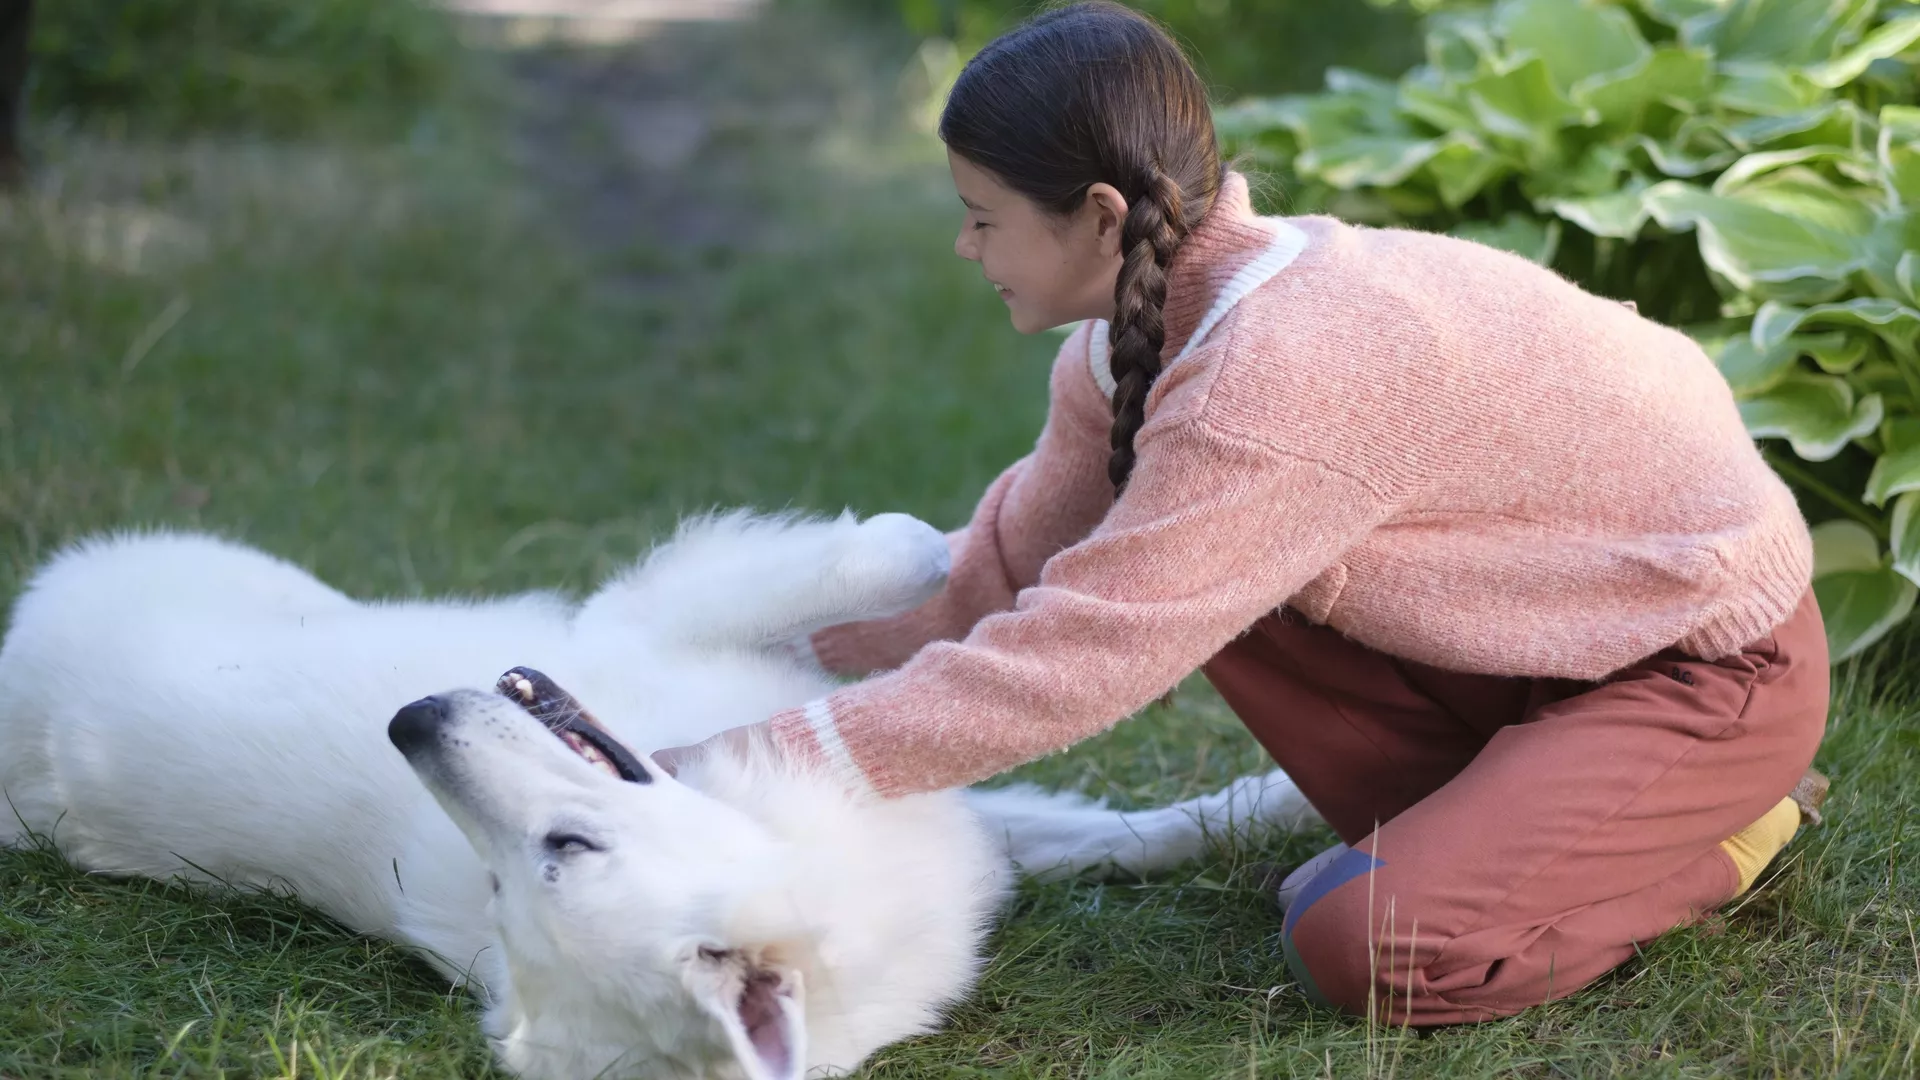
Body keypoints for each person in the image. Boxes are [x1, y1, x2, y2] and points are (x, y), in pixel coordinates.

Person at [657, 1, 1831, 1026]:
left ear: (1101, 216)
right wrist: (735, 674)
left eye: (983, 215)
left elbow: (1070, 663)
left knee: (1363, 938)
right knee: (1172, 557)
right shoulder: (1136, 341)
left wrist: (759, 763)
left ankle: (1732, 828)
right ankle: (1531, 808)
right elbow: (1007, 573)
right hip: (1536, 641)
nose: (964, 247)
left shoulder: (1270, 385)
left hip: (1701, 668)